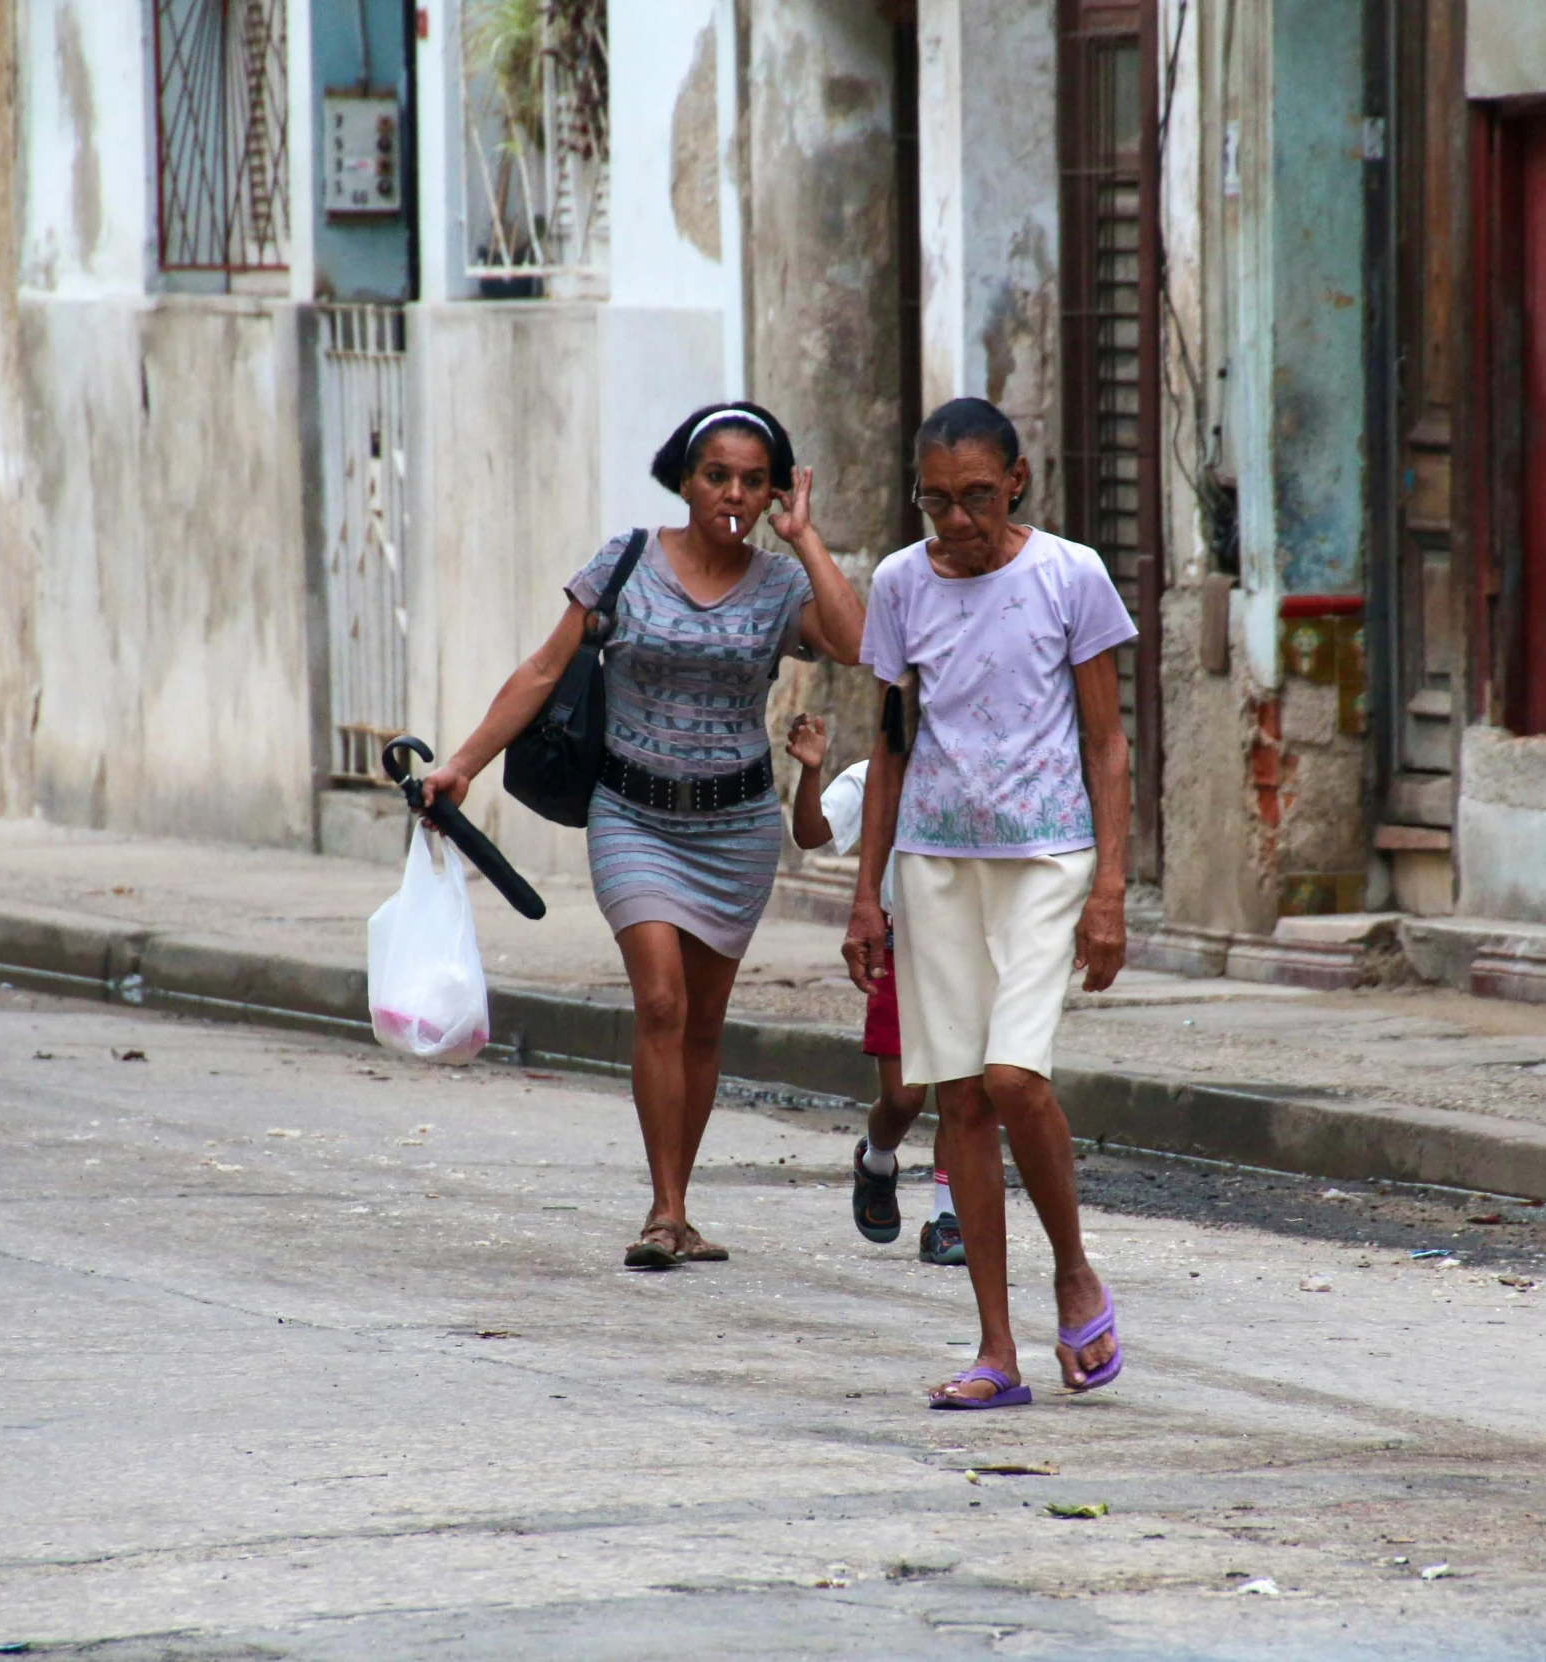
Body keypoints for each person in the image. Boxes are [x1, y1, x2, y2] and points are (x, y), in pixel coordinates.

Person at [422, 403, 864, 1270]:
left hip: (736, 826)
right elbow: (544, 669)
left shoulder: (779, 587)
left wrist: (805, 539)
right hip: (633, 817)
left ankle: (683, 1205)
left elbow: (856, 641)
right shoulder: (625, 562)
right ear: (685, 479)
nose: (733, 495)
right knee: (660, 1002)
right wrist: (463, 764)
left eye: (752, 480)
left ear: (774, 489)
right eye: (716, 477)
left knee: (702, 1025)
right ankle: (663, 1213)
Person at [844, 396, 1133, 1409]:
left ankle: (1072, 1270)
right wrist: (865, 894)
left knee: (1014, 1079)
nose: (956, 522)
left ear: (1015, 480)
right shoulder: (896, 585)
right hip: (931, 864)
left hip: (1047, 859)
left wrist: (1109, 886)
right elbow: (887, 746)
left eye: (975, 497)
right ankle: (995, 1351)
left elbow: (1105, 740)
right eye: (936, 502)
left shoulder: (1069, 576)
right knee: (957, 1095)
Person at [784, 714, 964, 1266]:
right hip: (896, 943)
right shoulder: (873, 777)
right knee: (906, 1096)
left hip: (964, 945)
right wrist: (811, 772)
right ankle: (877, 1158)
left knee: (963, 1092)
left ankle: (947, 1219)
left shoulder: (977, 783)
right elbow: (812, 834)